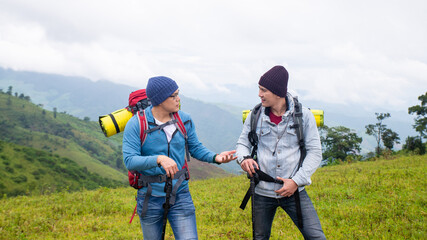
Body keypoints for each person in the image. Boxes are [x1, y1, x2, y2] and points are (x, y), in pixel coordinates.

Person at [123, 76, 236, 240]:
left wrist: (216, 157)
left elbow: (195, 148)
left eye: (178, 94)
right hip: (149, 197)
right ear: (160, 99)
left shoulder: (184, 119)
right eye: (173, 95)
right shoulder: (137, 124)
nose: (178, 99)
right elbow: (130, 160)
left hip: (180, 194)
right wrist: (159, 159)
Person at [236, 65, 326, 239]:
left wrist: (295, 181)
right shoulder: (254, 115)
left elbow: (315, 153)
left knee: (316, 237)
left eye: (264, 90)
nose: (259, 94)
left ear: (278, 92)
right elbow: (242, 143)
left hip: (295, 191)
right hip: (261, 191)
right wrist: (244, 159)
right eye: (259, 89)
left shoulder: (304, 116)